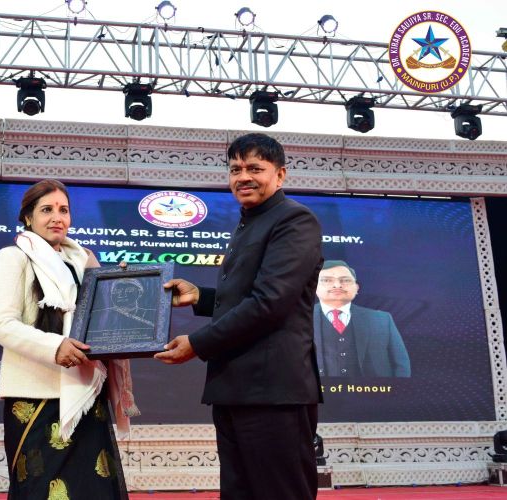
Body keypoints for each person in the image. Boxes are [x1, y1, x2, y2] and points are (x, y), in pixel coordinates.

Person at [155, 133, 323, 500]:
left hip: (274, 392)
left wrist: (197, 344)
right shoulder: (250, 222)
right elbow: (248, 297)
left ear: (280, 174)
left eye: (254, 168)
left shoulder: (294, 220)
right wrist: (201, 297)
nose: (243, 177)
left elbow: (269, 303)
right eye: (235, 169)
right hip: (235, 389)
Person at [0, 179, 137, 500]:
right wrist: (55, 347)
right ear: (28, 217)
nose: (57, 217)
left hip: (86, 396)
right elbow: (2, 325)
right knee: (40, 491)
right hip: (34, 400)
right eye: (47, 210)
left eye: (63, 210)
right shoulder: (13, 258)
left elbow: (103, 320)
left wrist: (125, 291)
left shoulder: (84, 261)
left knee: (93, 491)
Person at [314, 260, 411, 377]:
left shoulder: (382, 320)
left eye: (345, 280)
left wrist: (397, 388)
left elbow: (401, 364)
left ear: (356, 288)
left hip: (375, 388)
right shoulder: (298, 320)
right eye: (327, 280)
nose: (337, 285)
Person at [87, 278, 157, 341]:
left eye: (129, 290)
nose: (122, 294)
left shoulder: (152, 314)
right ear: (111, 294)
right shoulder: (98, 316)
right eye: (117, 291)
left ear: (140, 293)